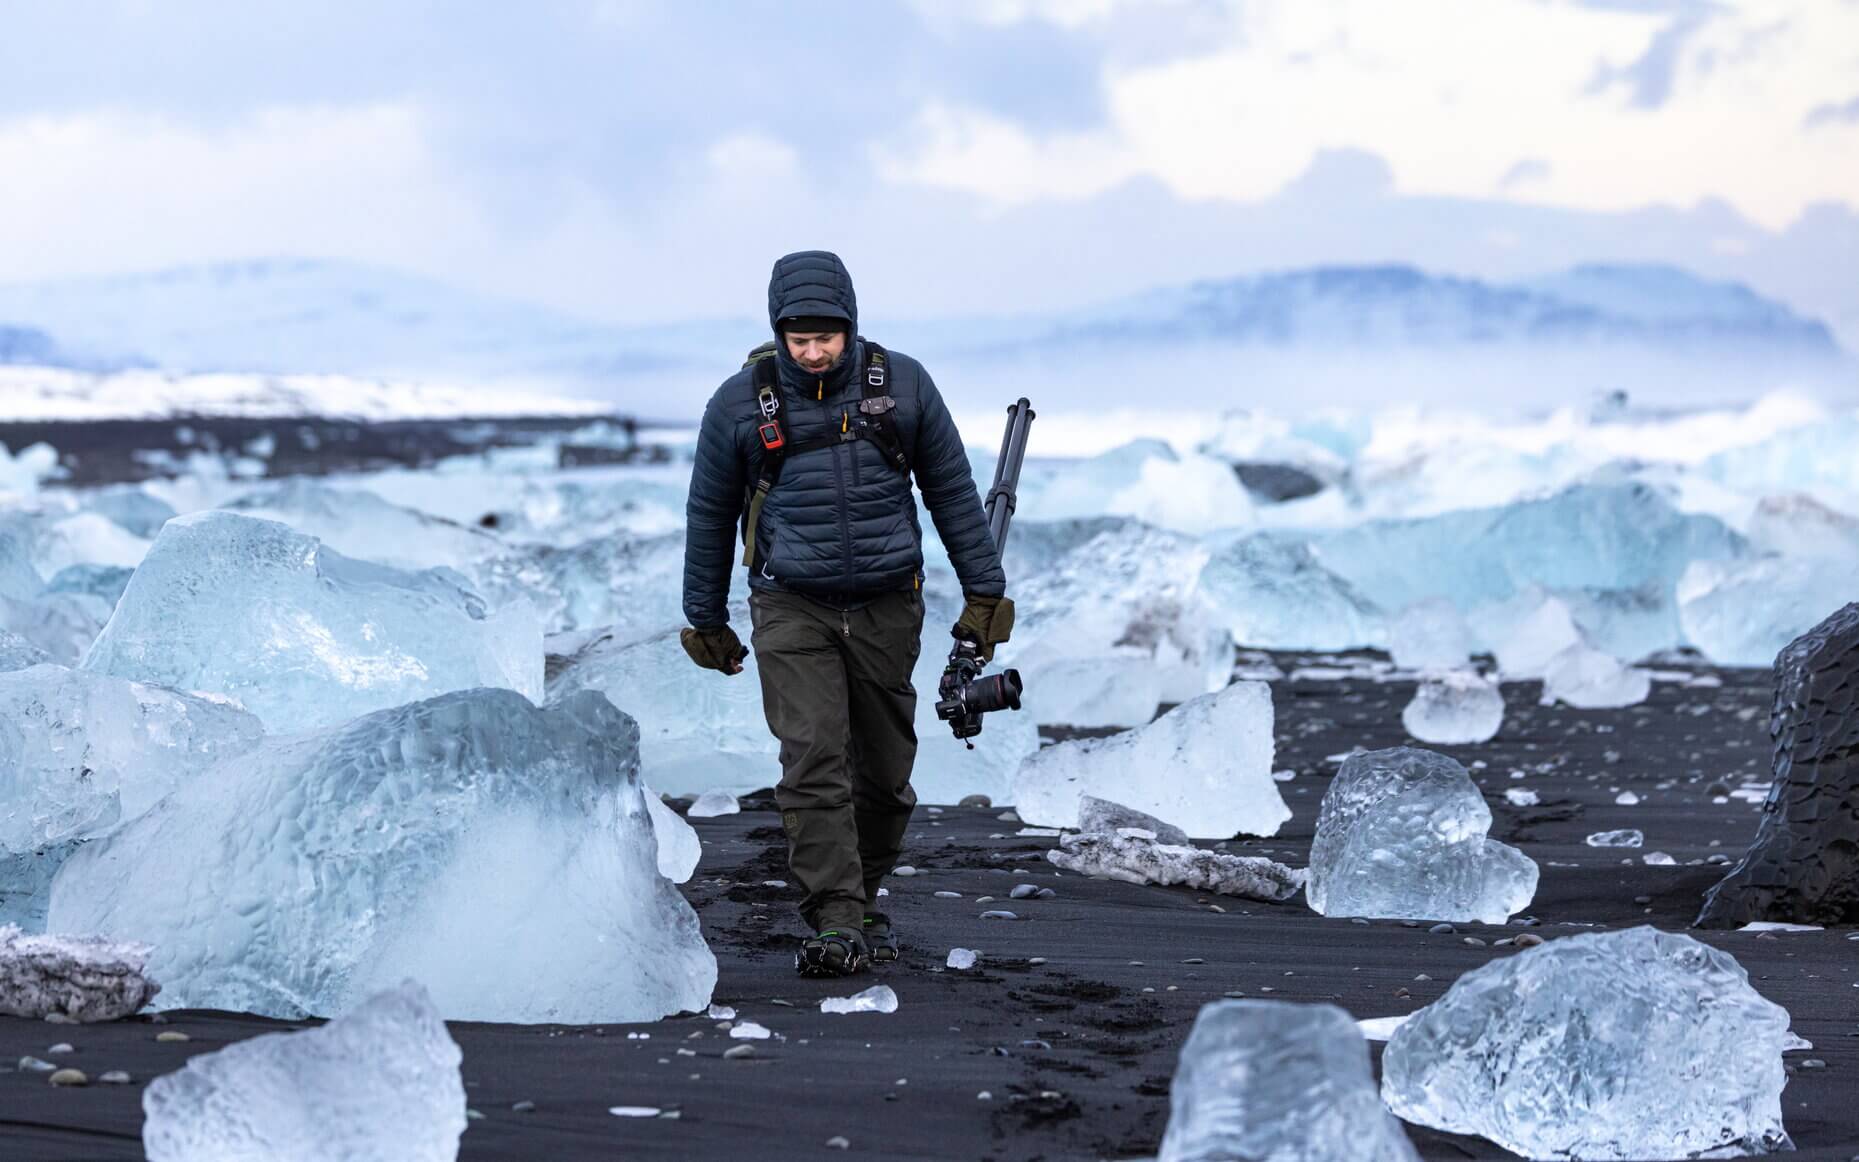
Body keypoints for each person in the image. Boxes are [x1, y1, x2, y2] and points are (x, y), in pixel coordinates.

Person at [680, 250, 1014, 977]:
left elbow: (952, 493)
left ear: (851, 326)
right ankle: (834, 917)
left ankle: (862, 897)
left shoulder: (904, 386)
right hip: (789, 604)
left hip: (888, 604)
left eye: (825, 337)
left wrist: (984, 595)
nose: (812, 351)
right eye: (798, 339)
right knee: (812, 759)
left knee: (884, 775)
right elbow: (709, 517)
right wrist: (705, 619)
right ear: (778, 331)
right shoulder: (738, 405)